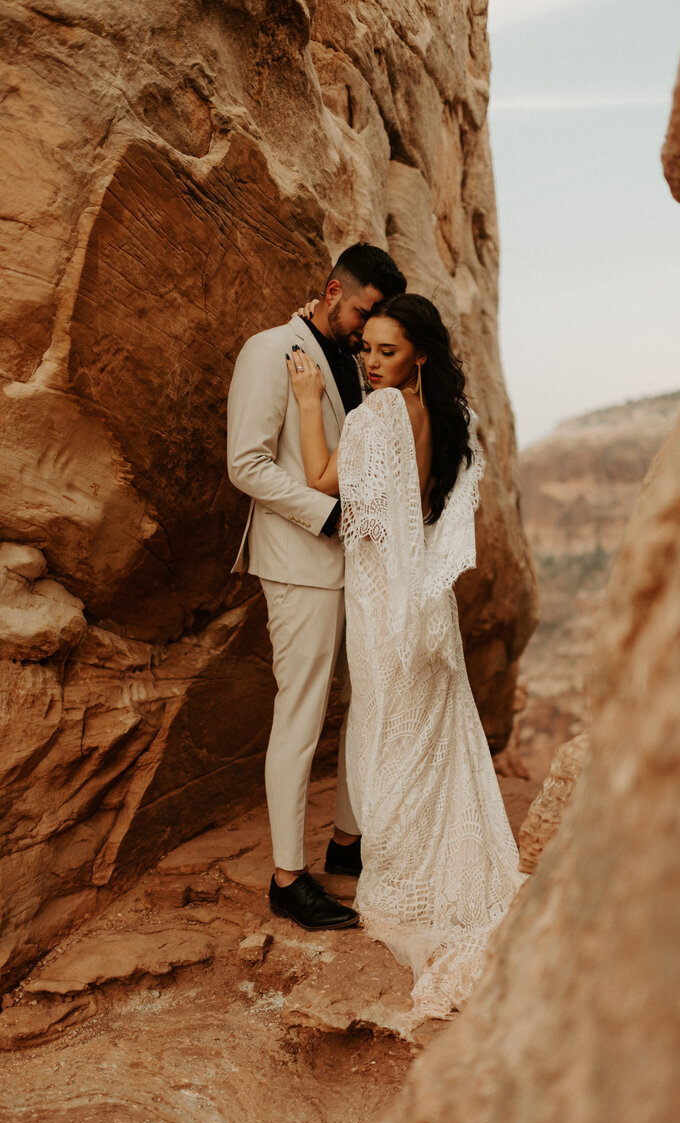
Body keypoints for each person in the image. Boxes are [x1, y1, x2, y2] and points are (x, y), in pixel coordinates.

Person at [287, 293, 524, 1022]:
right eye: (367, 349)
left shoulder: (378, 416)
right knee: (433, 737)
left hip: (384, 598)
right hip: (427, 599)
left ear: (419, 352)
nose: (372, 362)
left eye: (387, 351)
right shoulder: (454, 420)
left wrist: (307, 395)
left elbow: (323, 477)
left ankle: (405, 875)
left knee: (389, 731)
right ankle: (446, 863)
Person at [227, 243, 407, 930]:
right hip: (299, 562)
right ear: (334, 290)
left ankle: (346, 845)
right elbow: (245, 464)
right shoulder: (268, 349)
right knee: (301, 712)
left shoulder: (360, 363)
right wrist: (327, 514)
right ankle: (286, 877)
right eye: (363, 311)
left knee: (366, 703)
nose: (367, 330)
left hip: (360, 567)